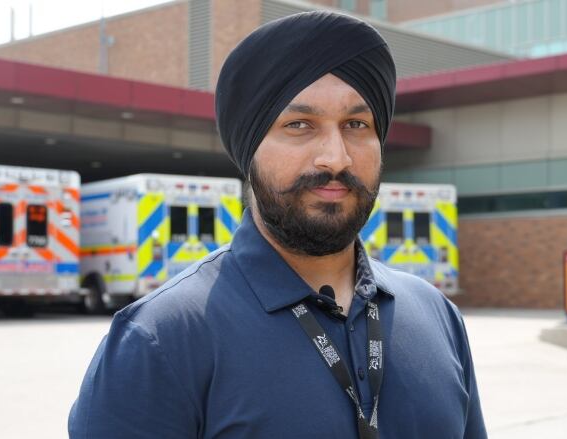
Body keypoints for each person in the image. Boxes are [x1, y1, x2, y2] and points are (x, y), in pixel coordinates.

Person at [69, 11, 487, 439]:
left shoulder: (437, 315)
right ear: (249, 149)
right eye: (299, 125)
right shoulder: (162, 338)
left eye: (357, 125)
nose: (336, 157)